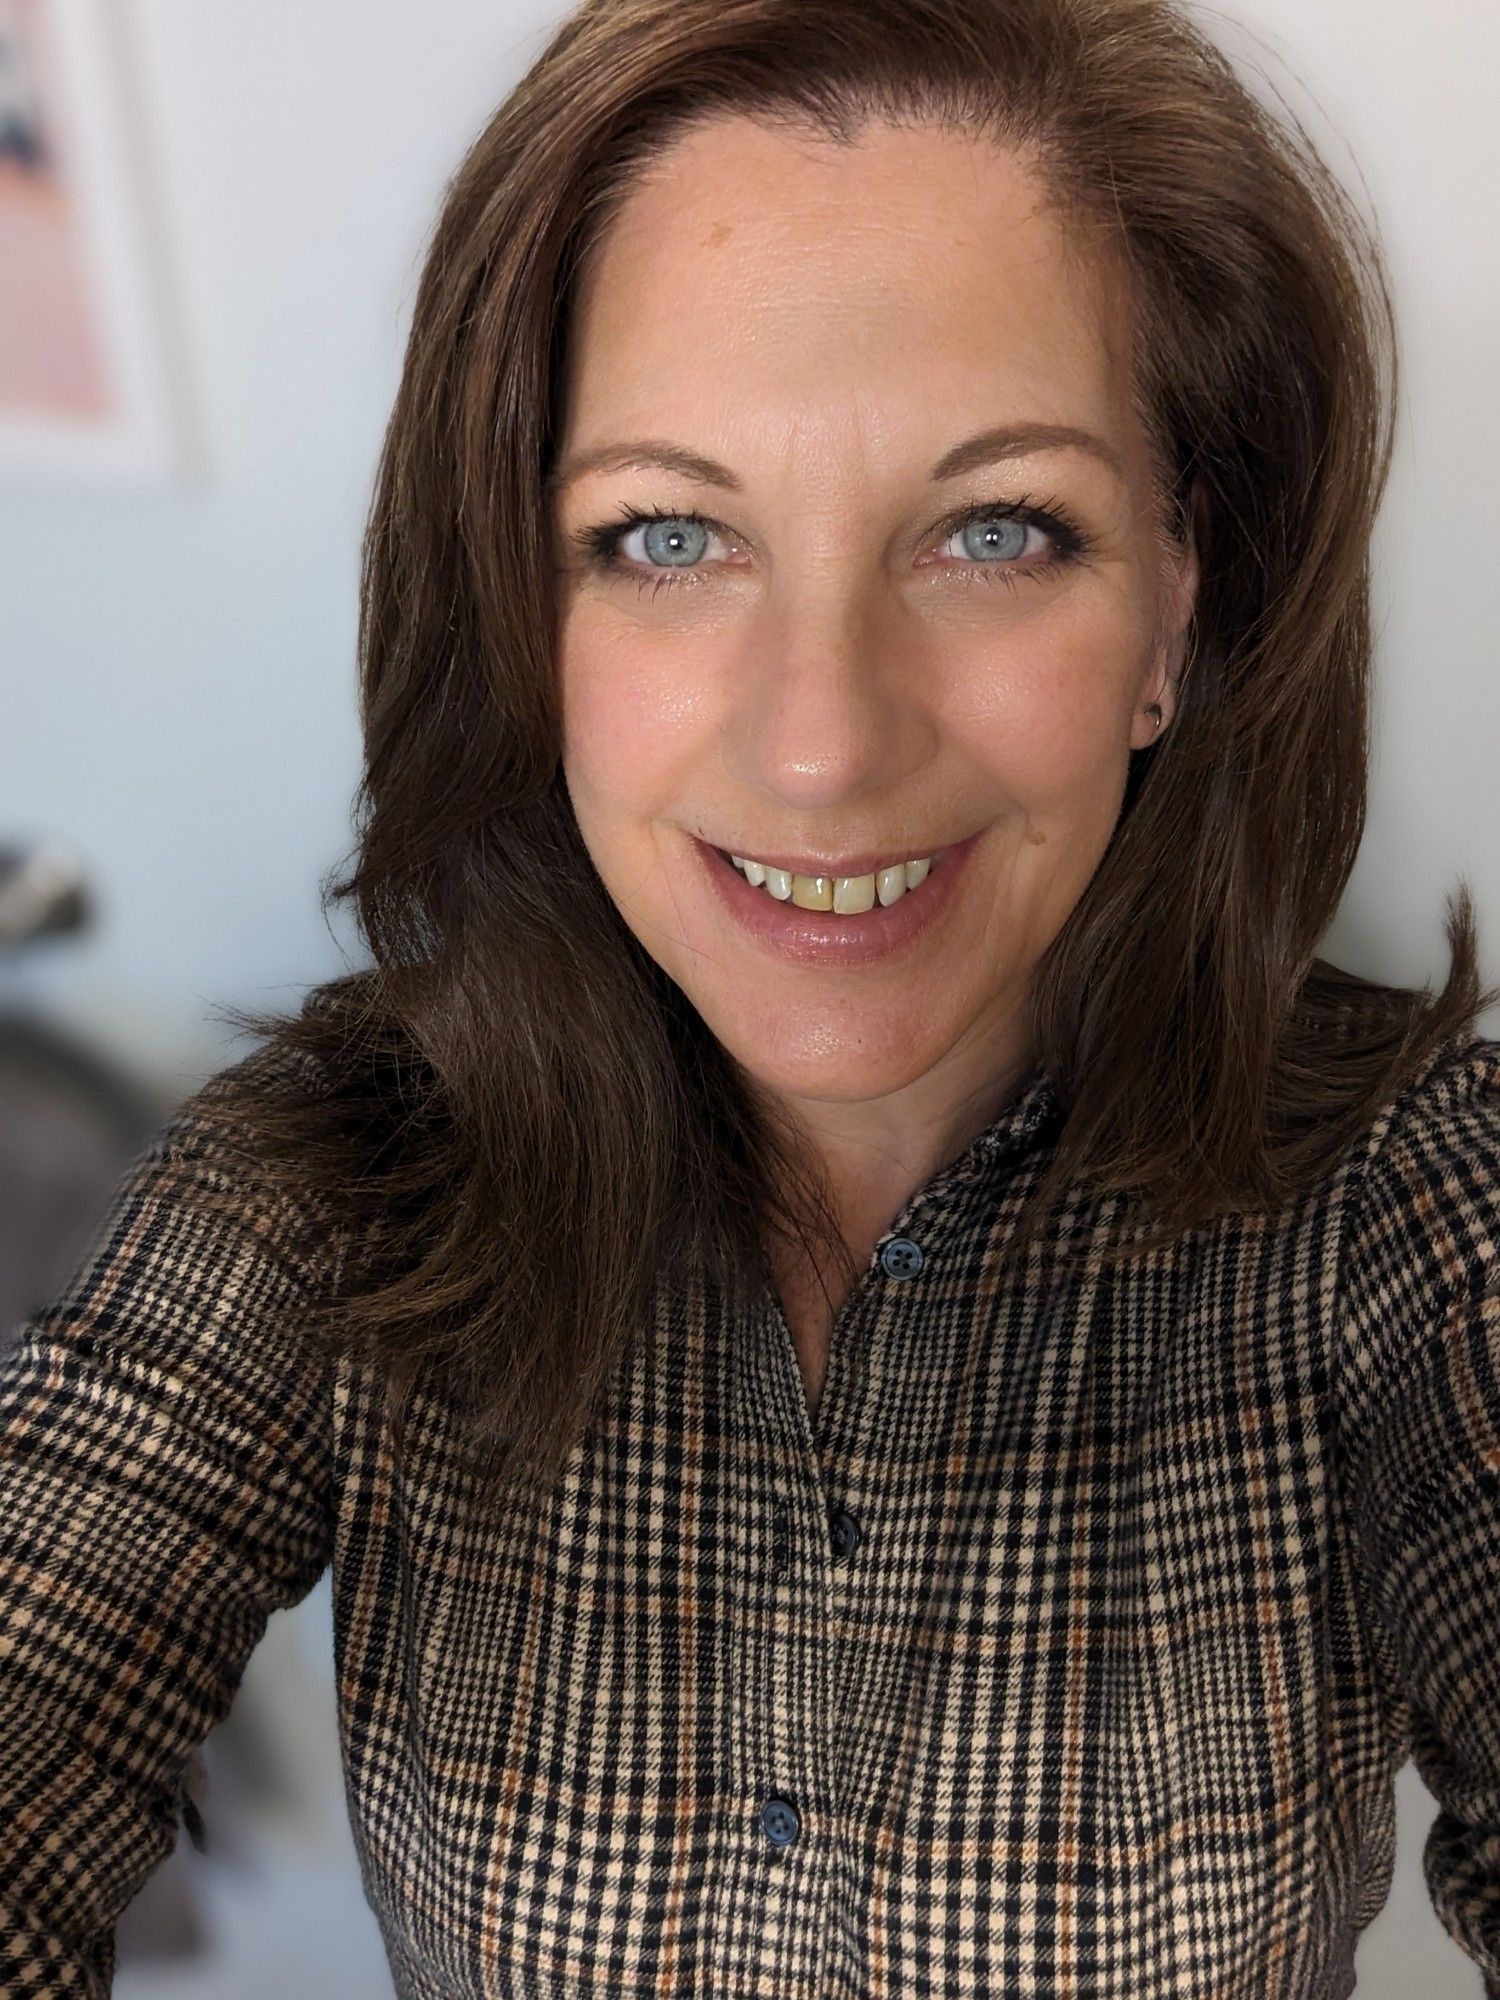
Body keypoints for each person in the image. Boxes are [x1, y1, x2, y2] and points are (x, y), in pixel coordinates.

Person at [2, 0, 1498, 1992]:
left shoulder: (1401, 1211)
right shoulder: (328, 1187)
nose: (819, 745)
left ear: (1175, 604)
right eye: (670, 535)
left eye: (994, 530)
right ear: (530, 614)